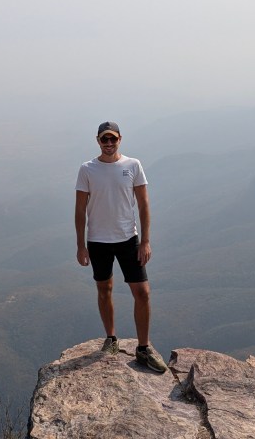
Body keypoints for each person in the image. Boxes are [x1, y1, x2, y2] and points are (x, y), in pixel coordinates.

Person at [74, 121, 167, 373]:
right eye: (104, 139)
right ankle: (111, 339)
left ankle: (143, 348)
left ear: (120, 139)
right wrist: (81, 246)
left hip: (128, 239)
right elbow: (80, 210)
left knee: (142, 292)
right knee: (104, 289)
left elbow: (144, 204)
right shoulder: (87, 169)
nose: (109, 143)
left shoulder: (133, 165)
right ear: (98, 141)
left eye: (112, 139)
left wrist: (145, 241)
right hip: (98, 240)